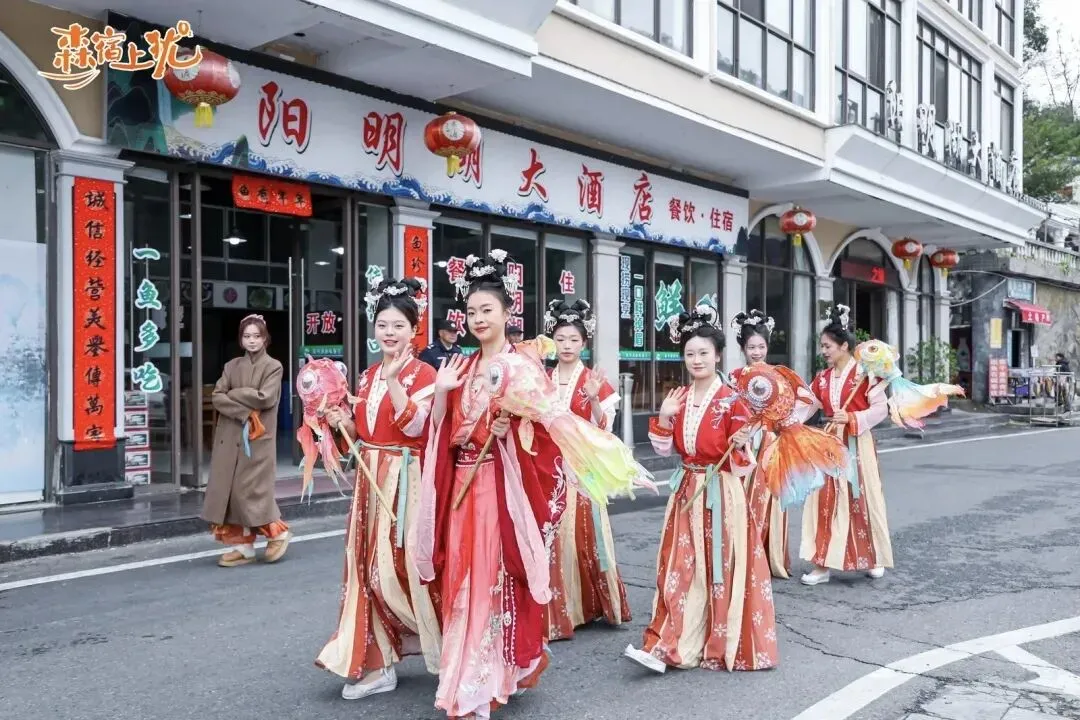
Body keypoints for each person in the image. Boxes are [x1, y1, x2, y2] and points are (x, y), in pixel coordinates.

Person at [413, 250, 566, 719]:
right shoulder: (459, 367)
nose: (479, 319)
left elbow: (547, 431)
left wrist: (511, 429)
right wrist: (442, 395)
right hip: (460, 485)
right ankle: (468, 670)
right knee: (461, 573)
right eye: (472, 311)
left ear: (507, 312)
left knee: (492, 575)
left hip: (500, 488)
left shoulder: (523, 368)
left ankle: (484, 677)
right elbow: (438, 429)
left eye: (488, 310)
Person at [623, 305, 777, 674]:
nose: (696, 360)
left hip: (720, 491)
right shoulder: (679, 396)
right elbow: (665, 450)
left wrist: (741, 443)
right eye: (690, 353)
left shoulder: (734, 400)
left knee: (716, 568)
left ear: (718, 355)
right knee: (681, 567)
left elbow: (743, 464)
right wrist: (664, 417)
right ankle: (672, 642)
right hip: (686, 490)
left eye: (704, 353)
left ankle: (707, 640)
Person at [315, 275, 441, 700]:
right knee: (366, 568)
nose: (389, 333)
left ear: (414, 329)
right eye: (383, 325)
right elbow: (365, 432)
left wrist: (394, 381)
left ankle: (453, 647)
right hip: (370, 479)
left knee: (405, 568)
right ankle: (378, 662)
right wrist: (341, 423)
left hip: (406, 480)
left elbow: (418, 427)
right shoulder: (367, 375)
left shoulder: (425, 374)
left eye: (398, 326)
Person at [542, 298, 631, 641]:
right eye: (561, 339)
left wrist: (593, 397)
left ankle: (589, 604)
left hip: (583, 467)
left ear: (584, 342)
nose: (566, 345)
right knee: (552, 535)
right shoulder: (543, 378)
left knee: (585, 534)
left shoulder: (593, 380)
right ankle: (560, 608)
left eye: (573, 340)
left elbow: (604, 427)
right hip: (549, 466)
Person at [800, 304, 893, 586]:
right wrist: (783, 422)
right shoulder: (822, 378)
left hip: (857, 444)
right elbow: (806, 405)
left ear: (843, 346)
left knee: (862, 498)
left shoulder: (866, 374)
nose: (824, 351)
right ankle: (821, 565)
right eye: (822, 346)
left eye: (827, 346)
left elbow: (881, 409)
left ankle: (872, 557)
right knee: (824, 501)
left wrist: (852, 417)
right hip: (829, 442)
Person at [201, 314, 288, 567]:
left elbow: (265, 398)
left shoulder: (273, 366)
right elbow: (218, 396)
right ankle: (243, 547)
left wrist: (235, 393)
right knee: (229, 491)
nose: (252, 341)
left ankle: (278, 533)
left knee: (249, 491)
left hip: (257, 437)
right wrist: (243, 410)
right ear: (241, 339)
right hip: (230, 436)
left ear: (265, 338)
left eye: (257, 336)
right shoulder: (231, 366)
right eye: (247, 336)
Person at [728, 309, 791, 579]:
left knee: (767, 498)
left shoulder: (778, 376)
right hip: (742, 442)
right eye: (751, 347)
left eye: (761, 346)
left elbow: (788, 410)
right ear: (743, 348)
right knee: (740, 498)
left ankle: (765, 555)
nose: (756, 352)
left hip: (769, 442)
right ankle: (741, 555)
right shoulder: (733, 377)